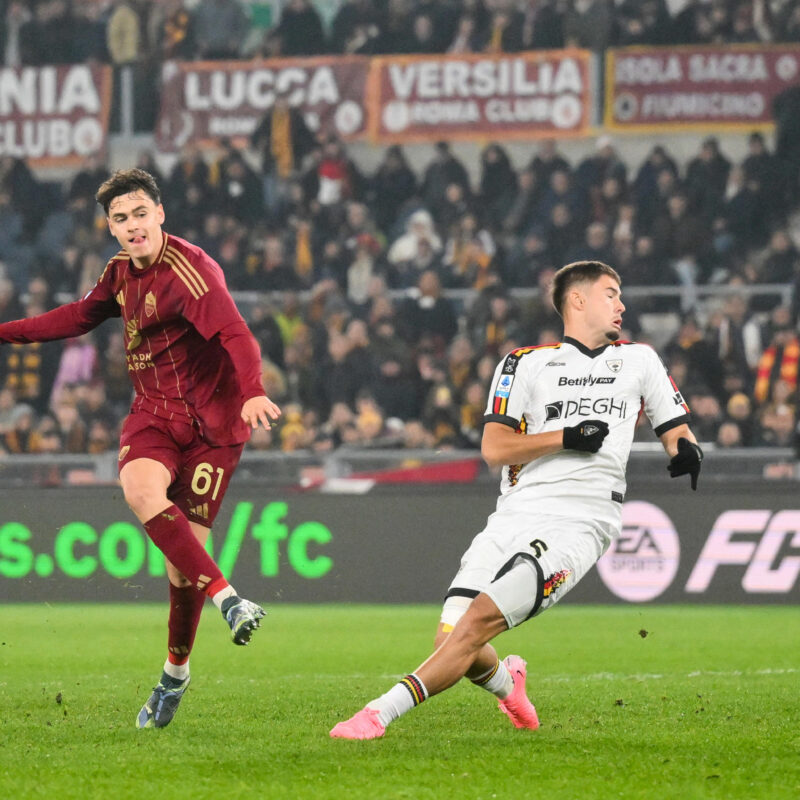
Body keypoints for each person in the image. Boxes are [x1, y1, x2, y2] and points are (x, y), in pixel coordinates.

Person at [330, 260, 702, 740]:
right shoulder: (522, 363)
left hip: (583, 519)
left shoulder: (640, 360)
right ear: (578, 300)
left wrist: (686, 452)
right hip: (516, 511)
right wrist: (565, 436)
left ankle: (378, 713)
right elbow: (494, 449)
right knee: (453, 638)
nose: (621, 304)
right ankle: (510, 687)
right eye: (611, 293)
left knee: (478, 621)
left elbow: (676, 431)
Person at [0, 169, 281, 730]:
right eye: (120, 219)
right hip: (155, 415)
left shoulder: (191, 272)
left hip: (215, 429)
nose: (132, 227)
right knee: (138, 487)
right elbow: (75, 318)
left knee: (182, 574)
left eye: (139, 214)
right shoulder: (118, 274)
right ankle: (231, 599)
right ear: (111, 228)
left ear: (160, 214)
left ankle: (174, 676)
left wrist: (253, 392)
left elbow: (236, 334)